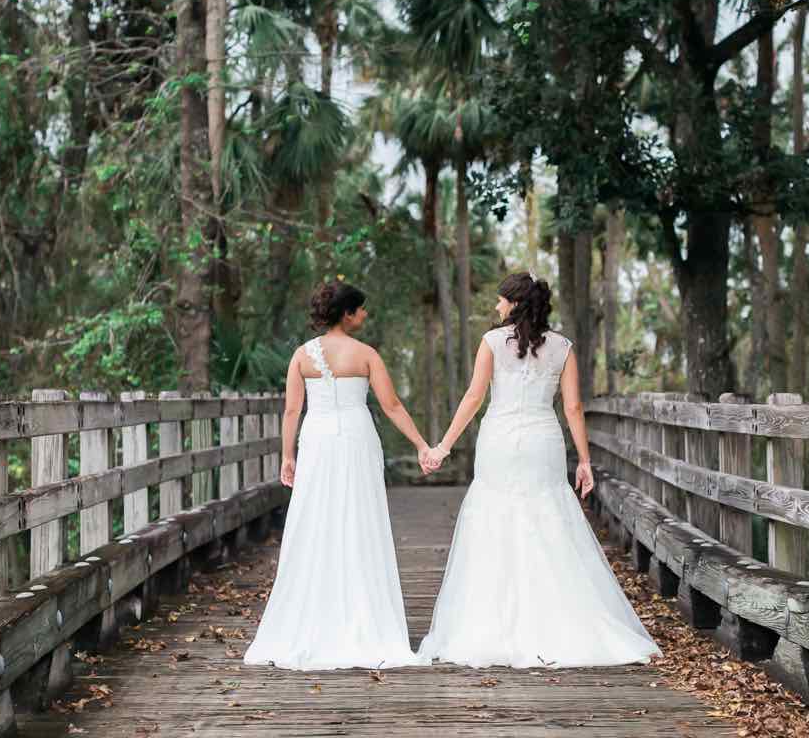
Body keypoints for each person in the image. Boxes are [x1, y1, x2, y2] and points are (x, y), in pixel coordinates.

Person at [416, 272, 661, 668]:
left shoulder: (493, 342)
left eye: (500, 300)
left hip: (499, 441)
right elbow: (573, 409)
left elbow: (474, 396)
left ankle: (490, 625)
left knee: (495, 517)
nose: (496, 307)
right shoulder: (563, 347)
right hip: (542, 441)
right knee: (548, 519)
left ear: (514, 303)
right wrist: (584, 460)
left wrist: (443, 446)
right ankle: (559, 621)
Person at [243, 281, 431, 670]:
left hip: (318, 439)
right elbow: (392, 405)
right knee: (358, 520)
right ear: (347, 314)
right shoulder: (365, 355)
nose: (364, 316)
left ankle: (314, 617)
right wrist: (420, 444)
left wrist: (287, 455)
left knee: (317, 520)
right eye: (360, 310)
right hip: (356, 438)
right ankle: (363, 618)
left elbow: (292, 411)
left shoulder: (301, 355)